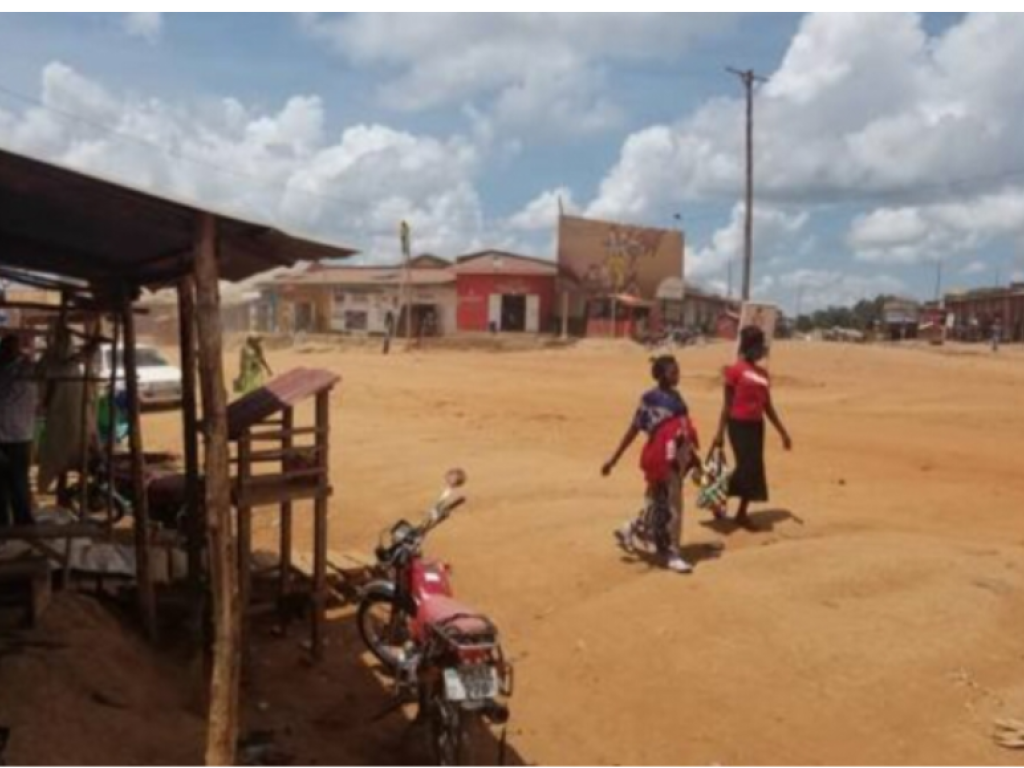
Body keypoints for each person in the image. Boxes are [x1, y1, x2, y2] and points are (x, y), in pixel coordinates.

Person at [602, 355, 696, 574]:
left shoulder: (677, 398)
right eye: (673, 372)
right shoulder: (649, 399)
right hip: (658, 457)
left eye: (678, 371)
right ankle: (672, 553)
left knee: (656, 502)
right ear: (661, 375)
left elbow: (683, 428)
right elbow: (634, 429)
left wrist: (691, 456)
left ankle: (630, 529)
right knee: (672, 505)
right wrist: (614, 459)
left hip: (676, 457)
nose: (678, 375)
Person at [712, 326, 792, 528]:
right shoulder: (734, 371)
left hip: (757, 427)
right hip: (738, 425)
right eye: (759, 346)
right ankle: (716, 493)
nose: (762, 350)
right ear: (749, 347)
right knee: (746, 467)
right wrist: (719, 433)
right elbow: (727, 405)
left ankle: (741, 513)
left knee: (755, 470)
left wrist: (782, 432)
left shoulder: (763, 375)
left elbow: (768, 406)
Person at [0, 334, 38, 527]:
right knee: (9, 482)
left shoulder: (27, 369)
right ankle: (9, 524)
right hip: (13, 435)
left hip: (17, 436)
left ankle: (22, 524)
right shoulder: (15, 370)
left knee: (17, 482)